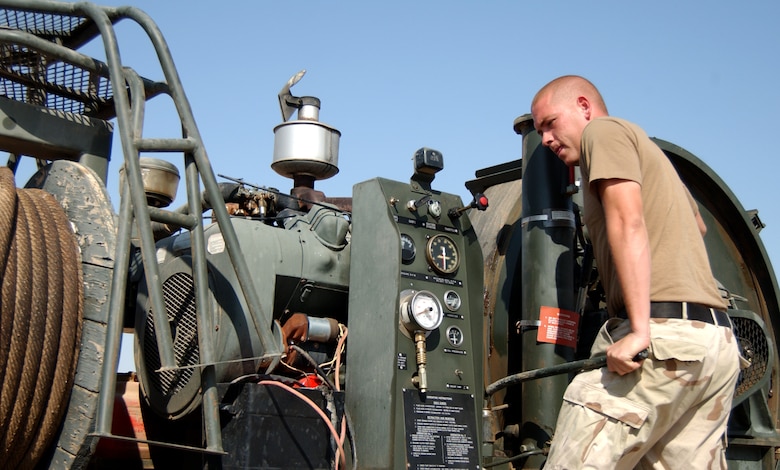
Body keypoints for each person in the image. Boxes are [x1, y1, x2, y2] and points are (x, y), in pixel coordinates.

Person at [530, 75, 742, 469]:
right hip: (714, 345)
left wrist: (641, 331)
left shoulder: (603, 132)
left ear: (584, 106)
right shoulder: (647, 151)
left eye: (549, 123)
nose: (545, 139)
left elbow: (628, 222)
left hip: (663, 340)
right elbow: (698, 226)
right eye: (539, 130)